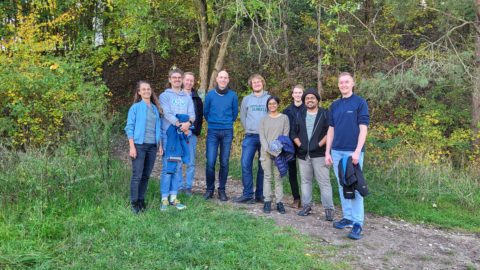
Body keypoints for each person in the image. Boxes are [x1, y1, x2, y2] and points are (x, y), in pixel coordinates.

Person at [325, 72, 370, 240]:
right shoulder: (334, 105)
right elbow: (331, 129)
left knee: (355, 186)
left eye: (346, 82)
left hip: (353, 152)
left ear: (352, 84)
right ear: (338, 85)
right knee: (342, 185)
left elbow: (363, 128)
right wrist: (327, 152)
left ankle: (358, 223)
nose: (343, 85)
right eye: (341, 82)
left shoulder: (360, 103)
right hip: (336, 151)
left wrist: (358, 151)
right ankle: (348, 218)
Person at [291, 88, 334, 221]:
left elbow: (330, 132)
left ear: (317, 100)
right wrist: (300, 145)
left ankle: (329, 209)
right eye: (307, 98)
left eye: (312, 98)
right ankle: (306, 206)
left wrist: (319, 144)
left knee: (324, 182)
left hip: (320, 154)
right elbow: (293, 133)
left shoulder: (325, 114)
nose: (309, 100)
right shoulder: (300, 115)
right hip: (303, 155)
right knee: (305, 181)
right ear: (304, 101)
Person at [125, 81, 163, 214]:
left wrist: (160, 145)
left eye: (148, 89)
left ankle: (141, 200)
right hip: (139, 146)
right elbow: (129, 127)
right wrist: (132, 147)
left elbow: (159, 129)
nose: (147, 91)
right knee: (137, 175)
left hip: (152, 146)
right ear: (139, 92)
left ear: (151, 91)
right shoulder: (135, 108)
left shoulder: (155, 108)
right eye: (144, 89)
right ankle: (134, 203)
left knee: (146, 175)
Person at [159, 68, 195, 211]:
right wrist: (180, 124)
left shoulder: (187, 97)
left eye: (179, 77)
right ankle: (164, 199)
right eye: (174, 77)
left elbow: (192, 115)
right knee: (168, 168)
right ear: (169, 79)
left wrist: (188, 124)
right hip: (169, 136)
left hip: (182, 136)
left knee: (178, 167)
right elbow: (167, 113)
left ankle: (174, 198)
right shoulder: (164, 96)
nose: (177, 79)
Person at [234, 74, 270, 204]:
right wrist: (248, 128)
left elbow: (272, 116)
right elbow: (243, 116)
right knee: (245, 164)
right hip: (250, 136)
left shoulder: (269, 98)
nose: (256, 84)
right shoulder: (246, 99)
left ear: (262, 83)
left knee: (263, 166)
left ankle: (260, 195)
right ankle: (247, 194)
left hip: (265, 137)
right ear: (251, 85)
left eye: (258, 82)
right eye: (254, 82)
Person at [203, 70, 239, 201]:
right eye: (221, 77)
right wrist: (214, 122)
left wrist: (226, 122)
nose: (223, 80)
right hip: (213, 131)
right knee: (210, 161)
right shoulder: (210, 95)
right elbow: (205, 112)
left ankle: (222, 190)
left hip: (227, 131)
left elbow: (235, 114)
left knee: (224, 162)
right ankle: (209, 189)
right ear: (217, 79)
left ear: (228, 80)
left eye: (225, 78)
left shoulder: (233, 96)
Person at [258, 96, 290, 214]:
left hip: (279, 153)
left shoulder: (284, 118)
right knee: (267, 177)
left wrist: (277, 151)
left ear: (278, 104)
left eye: (274, 103)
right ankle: (267, 201)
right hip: (265, 152)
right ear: (267, 106)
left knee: (278, 178)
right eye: (270, 104)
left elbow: (284, 136)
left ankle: (279, 202)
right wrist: (268, 149)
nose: (272, 105)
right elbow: (262, 137)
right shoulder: (263, 119)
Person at [179, 72, 204, 195]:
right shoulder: (176, 95)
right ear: (183, 80)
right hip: (177, 132)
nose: (189, 83)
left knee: (191, 162)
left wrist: (193, 130)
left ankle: (188, 187)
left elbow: (199, 117)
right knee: (177, 160)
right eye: (187, 80)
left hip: (191, 133)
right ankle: (179, 186)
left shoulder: (197, 98)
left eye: (191, 81)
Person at [282, 84, 305, 208]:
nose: (297, 95)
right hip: (290, 146)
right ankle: (296, 198)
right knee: (292, 172)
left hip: (303, 144)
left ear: (303, 94)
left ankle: (306, 199)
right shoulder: (286, 111)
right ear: (292, 95)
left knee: (305, 173)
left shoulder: (307, 109)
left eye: (300, 92)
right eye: (295, 92)